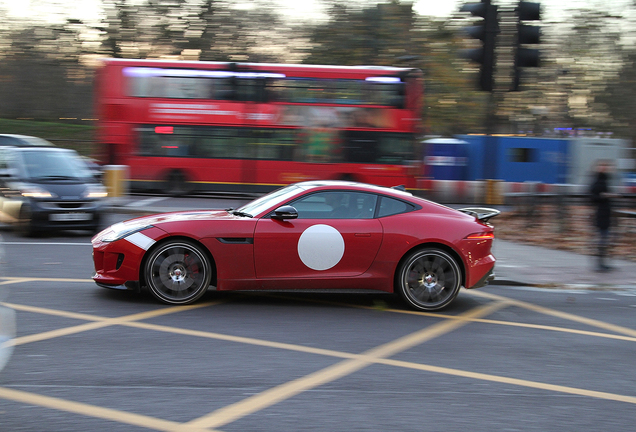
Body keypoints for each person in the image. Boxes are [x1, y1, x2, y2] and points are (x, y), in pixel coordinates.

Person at [589, 159, 616, 272]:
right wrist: (605, 196)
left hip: (606, 212)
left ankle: (602, 263)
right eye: (602, 166)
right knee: (602, 238)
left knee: (605, 238)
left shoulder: (605, 180)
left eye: (606, 166)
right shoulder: (597, 181)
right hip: (601, 213)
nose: (604, 168)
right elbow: (592, 197)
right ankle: (599, 264)